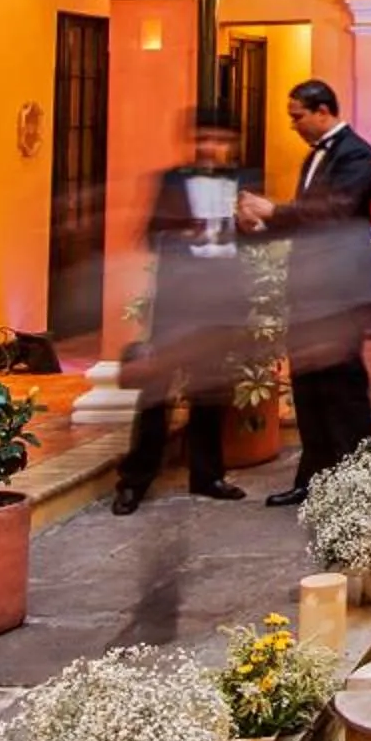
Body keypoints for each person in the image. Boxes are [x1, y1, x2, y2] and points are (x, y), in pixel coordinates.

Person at [238, 80, 371, 507]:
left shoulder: (357, 154)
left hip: (339, 289)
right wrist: (261, 225)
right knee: (308, 386)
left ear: (323, 111)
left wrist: (274, 210)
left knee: (342, 386)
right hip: (308, 286)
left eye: (297, 115)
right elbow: (308, 220)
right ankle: (314, 479)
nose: (292, 124)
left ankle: (358, 482)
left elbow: (336, 211)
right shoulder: (314, 156)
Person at [114, 108, 250, 513]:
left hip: (220, 300)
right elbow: (150, 234)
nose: (209, 145)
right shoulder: (169, 181)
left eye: (218, 137)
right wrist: (185, 237)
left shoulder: (242, 182)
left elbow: (255, 238)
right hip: (178, 302)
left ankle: (207, 475)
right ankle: (135, 480)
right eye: (203, 136)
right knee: (156, 392)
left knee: (210, 390)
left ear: (231, 142)